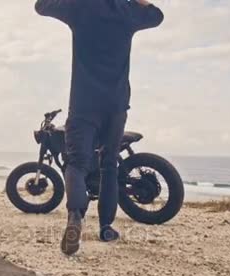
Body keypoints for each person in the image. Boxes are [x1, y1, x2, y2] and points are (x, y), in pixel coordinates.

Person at [34, 0, 164, 255]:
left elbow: (41, 5)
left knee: (77, 164)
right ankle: (106, 228)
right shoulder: (127, 12)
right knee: (109, 166)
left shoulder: (79, 8)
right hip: (115, 106)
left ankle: (75, 217)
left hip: (83, 103)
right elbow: (157, 16)